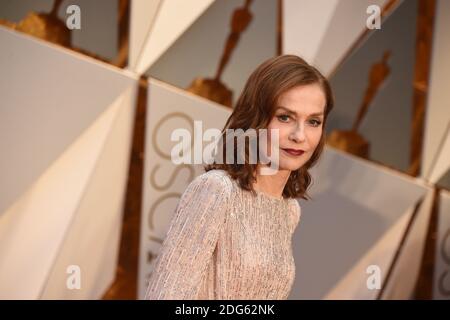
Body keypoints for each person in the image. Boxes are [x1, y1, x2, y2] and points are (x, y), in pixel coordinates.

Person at [145, 54, 334, 299]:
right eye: (285, 117)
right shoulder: (216, 190)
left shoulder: (289, 211)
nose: (300, 135)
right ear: (257, 118)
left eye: (313, 121)